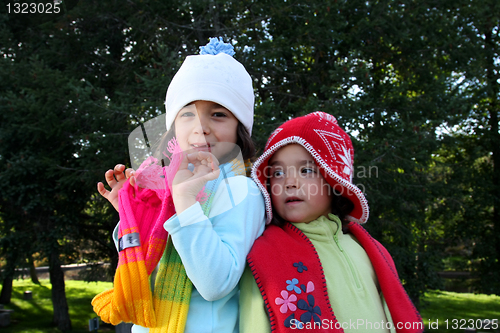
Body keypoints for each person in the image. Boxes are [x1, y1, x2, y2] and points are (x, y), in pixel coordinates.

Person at [92, 37, 266, 333]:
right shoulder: (161, 188)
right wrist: (131, 214)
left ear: (240, 129)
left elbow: (216, 284)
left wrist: (184, 202)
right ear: (174, 128)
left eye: (219, 114)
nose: (202, 127)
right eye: (188, 114)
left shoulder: (242, 192)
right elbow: (140, 269)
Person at [239, 112, 423, 333]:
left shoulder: (369, 250)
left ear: (334, 180)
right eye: (277, 172)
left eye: (306, 170)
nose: (289, 182)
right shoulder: (263, 255)